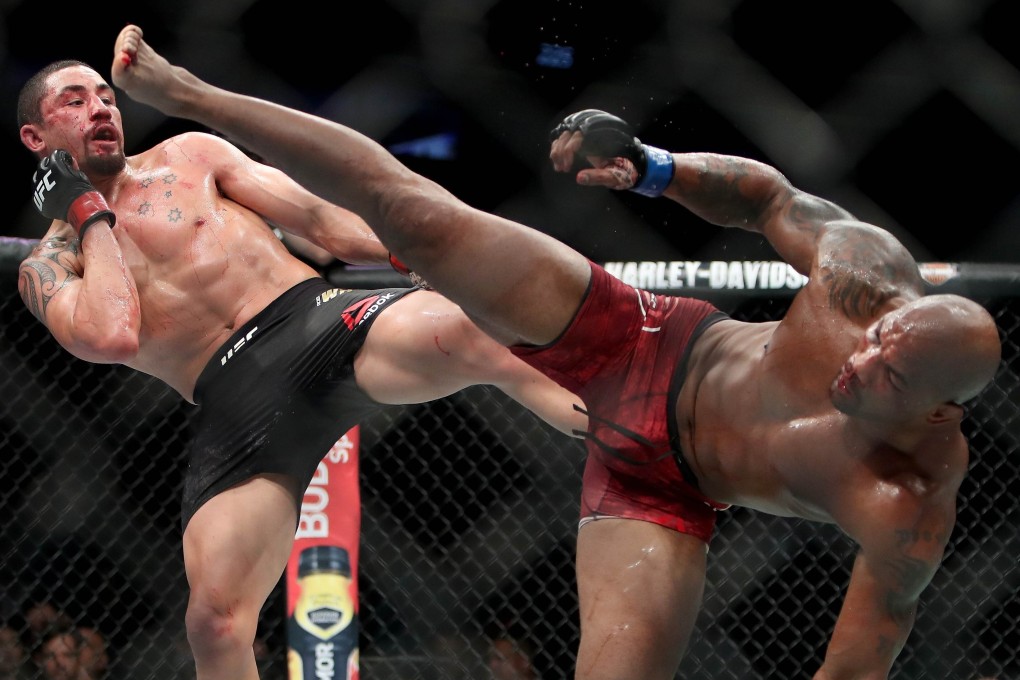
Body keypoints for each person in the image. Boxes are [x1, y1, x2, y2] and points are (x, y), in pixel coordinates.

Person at [108, 24, 1003, 680]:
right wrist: (654, 168)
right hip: (648, 339)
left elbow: (856, 665)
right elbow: (770, 197)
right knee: (419, 218)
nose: (861, 360)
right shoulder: (864, 280)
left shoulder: (906, 508)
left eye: (886, 374)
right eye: (877, 340)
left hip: (661, 487)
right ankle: (194, 90)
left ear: (937, 412)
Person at [17, 49, 588, 680]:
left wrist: (416, 257)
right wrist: (85, 212)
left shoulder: (189, 156)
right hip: (232, 399)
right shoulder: (47, 266)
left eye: (105, 95)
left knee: (476, 333)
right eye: (75, 100)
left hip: (315, 323)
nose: (100, 107)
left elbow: (319, 220)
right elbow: (114, 336)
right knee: (214, 621)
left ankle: (634, 441)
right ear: (35, 138)